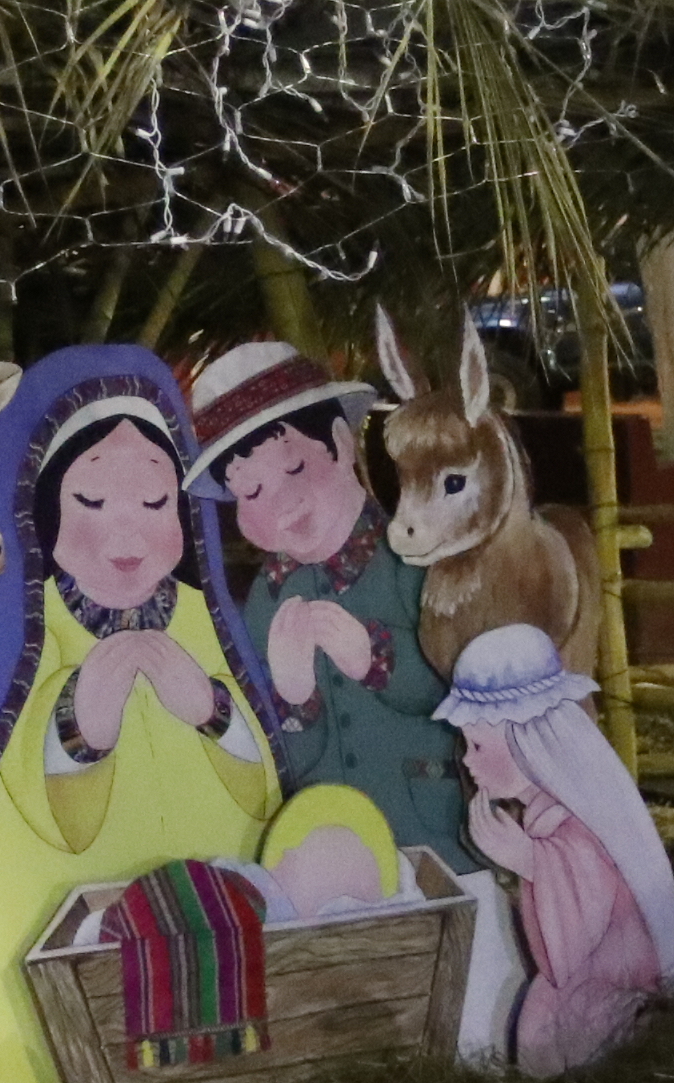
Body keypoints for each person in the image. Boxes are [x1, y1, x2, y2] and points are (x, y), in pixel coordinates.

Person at [0, 348, 282, 1083]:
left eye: (156, 502)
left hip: (214, 912)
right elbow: (39, 808)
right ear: (48, 514)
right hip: (83, 927)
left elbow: (263, 792)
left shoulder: (205, 626)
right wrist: (79, 726)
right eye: (93, 501)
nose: (127, 536)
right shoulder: (28, 642)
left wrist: (214, 711)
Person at [189, 338, 471, 870]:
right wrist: (294, 702)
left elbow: (459, 684)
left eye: (294, 469)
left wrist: (373, 658)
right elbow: (272, 758)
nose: (281, 504)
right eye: (251, 493)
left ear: (342, 446)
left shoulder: (413, 562)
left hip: (432, 827)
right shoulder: (267, 603)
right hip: (325, 847)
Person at [434, 622, 674, 1073]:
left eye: (477, 745)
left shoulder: (576, 820)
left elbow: (582, 911)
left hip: (611, 986)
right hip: (584, 986)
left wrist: (530, 861)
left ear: (526, 743)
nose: (468, 761)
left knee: (554, 1030)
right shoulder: (549, 811)